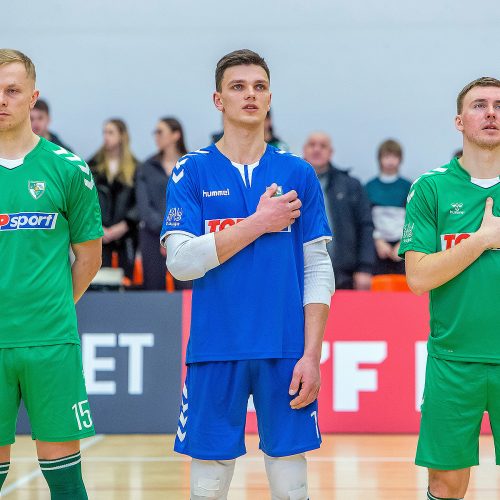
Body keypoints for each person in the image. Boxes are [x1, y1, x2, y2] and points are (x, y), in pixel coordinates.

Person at [161, 49, 335, 500]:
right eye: (238, 87)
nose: (250, 95)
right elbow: (180, 263)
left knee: (291, 483)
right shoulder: (192, 170)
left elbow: (318, 269)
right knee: (207, 485)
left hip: (285, 348)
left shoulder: (298, 172)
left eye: (259, 87)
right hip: (216, 347)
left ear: (270, 97)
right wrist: (258, 223)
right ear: (218, 100)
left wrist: (312, 354)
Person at [0, 49, 102, 498]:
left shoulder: (68, 169)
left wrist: (54, 304)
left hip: (51, 342)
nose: (2, 99)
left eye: (12, 90)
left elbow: (90, 258)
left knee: (64, 479)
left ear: (32, 98)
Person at [399, 76, 500, 500]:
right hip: (452, 360)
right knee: (445, 483)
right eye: (479, 105)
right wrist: (482, 240)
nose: (491, 113)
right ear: (460, 121)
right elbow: (418, 277)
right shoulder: (431, 188)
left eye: (498, 105)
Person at [303, 132, 375, 289]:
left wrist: (365, 267)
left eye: (323, 146)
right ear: (304, 150)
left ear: (331, 152)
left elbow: (365, 226)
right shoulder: (290, 183)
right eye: (312, 145)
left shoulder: (350, 185)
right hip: (301, 273)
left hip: (344, 275)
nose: (317, 150)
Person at [136, 117, 191, 290]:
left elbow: (195, 203)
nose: (156, 137)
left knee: (187, 288)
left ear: (176, 135)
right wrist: (165, 234)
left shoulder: (191, 165)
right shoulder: (146, 166)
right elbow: (144, 206)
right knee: (153, 289)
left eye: (160, 132)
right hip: (152, 236)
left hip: (185, 236)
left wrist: (175, 233)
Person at [88, 119, 138, 280]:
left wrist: (124, 225)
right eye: (104, 132)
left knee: (126, 280)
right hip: (99, 234)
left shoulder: (136, 168)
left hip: (126, 235)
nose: (106, 137)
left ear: (122, 136)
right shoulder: (92, 166)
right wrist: (98, 226)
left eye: (110, 132)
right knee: (100, 280)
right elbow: (85, 199)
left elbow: (139, 202)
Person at [365, 139, 412, 275]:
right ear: (379, 159)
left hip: (402, 245)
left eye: (394, 157)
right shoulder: (370, 187)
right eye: (386, 157)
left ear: (400, 159)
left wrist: (403, 243)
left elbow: (413, 218)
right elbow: (366, 218)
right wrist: (378, 240)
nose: (390, 161)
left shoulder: (408, 186)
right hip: (377, 246)